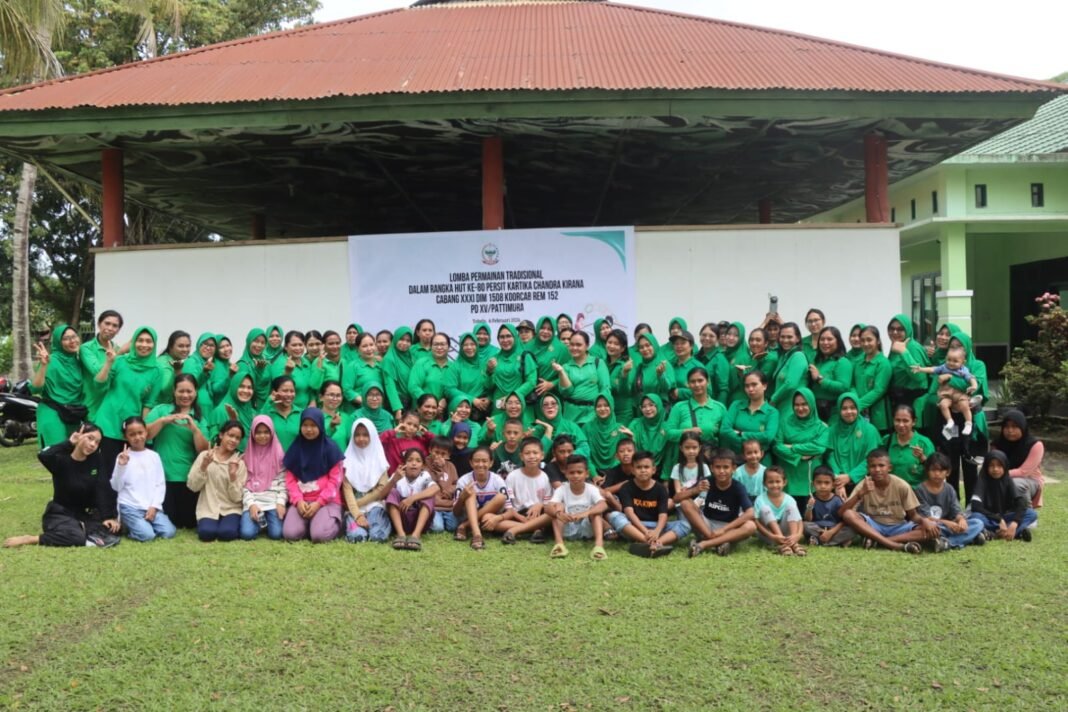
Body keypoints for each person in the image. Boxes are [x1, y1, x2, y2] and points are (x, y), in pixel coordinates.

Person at [3, 424, 120, 549]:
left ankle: (81, 527)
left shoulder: (96, 459)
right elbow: (44, 455)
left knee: (114, 529)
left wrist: (108, 516)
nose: (93, 445)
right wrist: (69, 443)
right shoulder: (61, 460)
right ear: (78, 435)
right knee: (76, 537)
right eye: (90, 438)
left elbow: (102, 487)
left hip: (82, 513)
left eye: (97, 442)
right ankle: (31, 538)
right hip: (60, 512)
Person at [94, 326, 164, 482]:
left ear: (154, 345)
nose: (144, 345)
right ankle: (103, 506)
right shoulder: (120, 362)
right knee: (106, 470)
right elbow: (98, 383)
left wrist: (143, 430)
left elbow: (148, 403)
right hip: (108, 422)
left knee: (127, 471)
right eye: (140, 340)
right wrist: (108, 363)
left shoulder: (157, 371)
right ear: (133, 343)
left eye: (148, 341)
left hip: (131, 427)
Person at [147, 374, 210, 530]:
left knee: (188, 523)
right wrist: (163, 421)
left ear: (196, 392)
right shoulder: (160, 410)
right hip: (162, 478)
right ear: (174, 392)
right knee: (170, 520)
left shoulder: (200, 419)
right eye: (181, 391)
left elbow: (203, 450)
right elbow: (144, 436)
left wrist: (194, 429)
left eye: (189, 391)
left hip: (187, 479)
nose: (185, 395)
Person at [838, 449, 926, 553]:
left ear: (889, 468)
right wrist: (860, 494)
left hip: (898, 526)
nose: (877, 469)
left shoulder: (902, 485)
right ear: (868, 469)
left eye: (881, 465)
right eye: (873, 466)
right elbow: (842, 513)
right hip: (873, 526)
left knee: (929, 531)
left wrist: (925, 521)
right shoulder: (864, 484)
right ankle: (894, 545)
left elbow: (913, 515)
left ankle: (880, 541)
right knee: (849, 514)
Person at [605, 450, 687, 557]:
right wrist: (645, 532)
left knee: (685, 524)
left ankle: (658, 542)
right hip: (635, 526)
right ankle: (650, 542)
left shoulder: (661, 488)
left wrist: (657, 531)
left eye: (646, 467)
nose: (643, 470)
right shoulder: (626, 487)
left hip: (655, 526)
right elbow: (629, 512)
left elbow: (663, 514)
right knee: (614, 516)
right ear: (633, 470)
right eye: (639, 467)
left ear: (653, 470)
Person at [282, 408, 345, 543]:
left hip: (326, 502)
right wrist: (298, 501)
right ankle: (311, 523)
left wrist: (318, 503)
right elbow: (290, 480)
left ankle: (330, 523)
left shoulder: (331, 448)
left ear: (320, 425)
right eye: (305, 425)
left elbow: (335, 482)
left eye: (313, 425)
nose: (309, 429)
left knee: (319, 536)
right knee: (290, 534)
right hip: (302, 502)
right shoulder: (296, 448)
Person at [110, 416, 176, 542]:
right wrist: (121, 466)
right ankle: (130, 527)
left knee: (169, 532)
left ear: (146, 432)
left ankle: (142, 525)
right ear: (125, 437)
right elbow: (116, 486)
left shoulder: (154, 456)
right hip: (129, 506)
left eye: (140, 433)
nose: (137, 437)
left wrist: (154, 506)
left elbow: (160, 484)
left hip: (150, 506)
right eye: (132, 434)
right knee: (147, 536)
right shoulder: (122, 457)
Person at [684, 448, 756, 557]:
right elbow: (677, 499)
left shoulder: (738, 487)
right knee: (685, 503)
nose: (721, 471)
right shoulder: (706, 481)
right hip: (706, 525)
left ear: (733, 468)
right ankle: (717, 541)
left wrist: (723, 530)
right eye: (718, 467)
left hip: (727, 528)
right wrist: (695, 490)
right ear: (712, 468)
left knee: (751, 526)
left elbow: (750, 513)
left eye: (726, 467)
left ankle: (704, 544)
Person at [187, 420, 247, 542]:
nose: (233, 440)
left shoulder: (239, 463)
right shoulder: (205, 456)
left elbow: (237, 498)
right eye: (230, 435)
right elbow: (193, 486)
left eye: (237, 438)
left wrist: (232, 476)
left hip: (231, 508)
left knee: (227, 534)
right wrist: (203, 466)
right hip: (208, 508)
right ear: (221, 435)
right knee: (206, 534)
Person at [31, 324, 87, 448]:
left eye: (74, 336)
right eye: (66, 338)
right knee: (57, 454)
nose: (72, 341)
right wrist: (44, 365)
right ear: (58, 342)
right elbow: (35, 388)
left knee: (75, 455)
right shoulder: (51, 361)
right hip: (52, 411)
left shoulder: (79, 361)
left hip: (74, 413)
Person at [913, 452, 983, 551]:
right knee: (927, 529)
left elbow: (956, 511)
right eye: (933, 470)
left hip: (950, 526)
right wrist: (947, 523)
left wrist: (961, 520)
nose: (937, 474)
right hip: (933, 525)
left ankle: (947, 542)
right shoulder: (920, 490)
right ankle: (971, 537)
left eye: (941, 470)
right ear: (927, 471)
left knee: (977, 522)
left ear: (948, 472)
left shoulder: (949, 489)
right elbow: (926, 518)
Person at [341, 418, 394, 543]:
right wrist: (357, 514)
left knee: (377, 535)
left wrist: (359, 503)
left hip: (375, 505)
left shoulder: (379, 460)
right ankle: (357, 527)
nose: (361, 439)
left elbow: (381, 489)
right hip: (353, 508)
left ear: (373, 436)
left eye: (365, 435)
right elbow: (347, 491)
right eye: (357, 435)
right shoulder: (347, 461)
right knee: (357, 537)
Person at [967, 450, 1037, 542]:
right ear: (986, 467)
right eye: (991, 466)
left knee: (1031, 514)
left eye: (999, 466)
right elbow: (976, 506)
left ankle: (993, 534)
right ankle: (1014, 533)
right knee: (976, 517)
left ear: (1005, 467)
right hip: (988, 517)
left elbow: (1021, 502)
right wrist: (999, 520)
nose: (995, 469)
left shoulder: (1007, 479)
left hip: (1004, 517)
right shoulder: (982, 479)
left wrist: (1015, 523)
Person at [773, 388, 829, 504]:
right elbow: (777, 446)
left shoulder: (821, 427)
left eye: (804, 404)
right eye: (796, 405)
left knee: (809, 517)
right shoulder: (784, 422)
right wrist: (800, 456)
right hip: (788, 476)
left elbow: (819, 447)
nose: (800, 408)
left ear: (812, 404)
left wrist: (792, 447)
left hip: (810, 479)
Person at [548, 454, 608, 559]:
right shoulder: (562, 489)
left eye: (579, 472)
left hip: (587, 529)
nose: (576, 475)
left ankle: (599, 546)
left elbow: (603, 504)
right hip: (567, 528)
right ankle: (559, 544)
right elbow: (548, 507)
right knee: (557, 507)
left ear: (587, 473)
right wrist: (559, 514)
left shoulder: (591, 489)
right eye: (571, 472)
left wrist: (585, 513)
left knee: (596, 512)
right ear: (565, 474)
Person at [912, 346, 979, 440]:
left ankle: (968, 423)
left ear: (963, 362)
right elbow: (933, 369)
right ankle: (949, 421)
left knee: (964, 405)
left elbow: (971, 378)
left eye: (955, 361)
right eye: (949, 360)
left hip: (959, 396)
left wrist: (974, 386)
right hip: (946, 395)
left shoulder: (964, 370)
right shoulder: (944, 367)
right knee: (943, 405)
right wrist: (921, 369)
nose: (951, 363)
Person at [453, 446, 511, 550]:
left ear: (491, 463)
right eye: (476, 461)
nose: (480, 465)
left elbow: (510, 510)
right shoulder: (464, 480)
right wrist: (462, 497)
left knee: (501, 497)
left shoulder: (498, 480)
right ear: (471, 463)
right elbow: (456, 513)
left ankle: (465, 526)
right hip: (468, 516)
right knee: (470, 493)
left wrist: (497, 518)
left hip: (488, 519)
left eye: (484, 461)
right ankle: (477, 535)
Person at [239, 415, 287, 541]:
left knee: (276, 534)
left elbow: (283, 483)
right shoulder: (246, 456)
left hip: (273, 501)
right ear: (253, 433)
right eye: (258, 432)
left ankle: (265, 522)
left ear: (272, 432)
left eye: (266, 432)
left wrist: (280, 503)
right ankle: (260, 522)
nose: (262, 436)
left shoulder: (279, 455)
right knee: (247, 534)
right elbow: (243, 485)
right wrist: (251, 505)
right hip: (254, 500)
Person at [664, 367, 727, 462]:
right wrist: (688, 431)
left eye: (700, 380)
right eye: (692, 382)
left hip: (709, 460)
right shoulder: (679, 407)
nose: (697, 385)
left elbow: (724, 436)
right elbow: (668, 433)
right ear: (688, 384)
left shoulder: (719, 408)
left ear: (708, 381)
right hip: (684, 461)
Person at [825, 392, 882, 498]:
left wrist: (850, 476)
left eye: (852, 407)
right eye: (844, 408)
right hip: (837, 483)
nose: (849, 412)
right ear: (839, 410)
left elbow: (871, 459)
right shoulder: (832, 431)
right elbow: (830, 456)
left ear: (858, 408)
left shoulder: (869, 430)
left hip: (863, 484)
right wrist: (838, 480)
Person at [500, 438, 555, 543]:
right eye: (527, 453)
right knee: (492, 520)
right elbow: (508, 505)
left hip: (538, 515)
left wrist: (540, 505)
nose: (532, 456)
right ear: (521, 456)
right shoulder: (513, 476)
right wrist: (520, 517)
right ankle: (535, 529)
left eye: (535, 453)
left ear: (542, 455)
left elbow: (548, 504)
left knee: (551, 514)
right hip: (517, 514)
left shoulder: (546, 478)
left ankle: (514, 530)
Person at [385, 448, 439, 551]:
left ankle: (416, 535)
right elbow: (382, 496)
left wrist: (411, 499)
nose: (414, 464)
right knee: (393, 492)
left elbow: (435, 488)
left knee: (429, 496)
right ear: (404, 464)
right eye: (410, 460)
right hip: (402, 518)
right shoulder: (398, 475)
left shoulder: (424, 475)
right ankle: (401, 534)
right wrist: (393, 480)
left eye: (418, 461)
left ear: (423, 466)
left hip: (418, 520)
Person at [554, 331, 610, 426]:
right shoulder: (566, 367)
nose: (574, 348)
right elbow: (566, 392)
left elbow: (605, 389)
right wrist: (561, 372)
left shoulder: (598, 363)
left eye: (579, 345)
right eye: (572, 345)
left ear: (587, 346)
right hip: (571, 416)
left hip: (592, 415)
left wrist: (602, 410)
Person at [721, 370, 778, 461]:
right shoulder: (736, 405)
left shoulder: (772, 412)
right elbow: (724, 430)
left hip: (761, 460)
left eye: (754, 384)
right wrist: (757, 437)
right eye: (747, 386)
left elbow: (768, 437)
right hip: (736, 458)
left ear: (764, 386)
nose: (750, 389)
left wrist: (741, 434)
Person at [992, 409, 1044, 508]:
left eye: (1015, 427)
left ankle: (1027, 517)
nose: (1010, 430)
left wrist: (998, 474)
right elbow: (992, 465)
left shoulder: (1035, 445)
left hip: (1029, 480)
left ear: (1022, 427)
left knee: (1016, 484)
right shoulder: (997, 444)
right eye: (1006, 427)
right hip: (1001, 477)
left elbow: (1024, 472)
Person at [80, 309, 123, 421]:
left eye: (115, 326)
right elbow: (97, 372)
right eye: (107, 323)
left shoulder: (117, 349)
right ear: (99, 324)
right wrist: (118, 355)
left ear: (118, 330)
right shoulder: (86, 348)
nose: (110, 328)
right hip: (92, 406)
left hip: (112, 407)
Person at [752, 466, 806, 556]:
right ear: (764, 483)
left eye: (778, 481)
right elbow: (756, 522)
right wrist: (772, 536)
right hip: (769, 535)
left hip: (788, 535)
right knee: (765, 509)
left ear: (784, 482)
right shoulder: (760, 499)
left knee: (791, 507)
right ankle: (783, 545)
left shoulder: (790, 499)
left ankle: (793, 543)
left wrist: (797, 535)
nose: (774, 485)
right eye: (770, 482)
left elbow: (799, 521)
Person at [885, 314, 930, 412]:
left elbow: (920, 377)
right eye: (891, 329)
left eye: (900, 329)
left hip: (912, 403)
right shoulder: (896, 347)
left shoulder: (912, 347)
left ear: (908, 330)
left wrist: (903, 352)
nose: (894, 332)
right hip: (898, 399)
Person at [808, 326, 853, 422]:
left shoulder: (842, 362)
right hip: (814, 410)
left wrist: (820, 379)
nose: (825, 343)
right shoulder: (816, 361)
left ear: (838, 341)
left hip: (833, 412)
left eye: (829, 339)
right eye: (822, 339)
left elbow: (844, 387)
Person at [852, 325, 892, 433]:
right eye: (863, 340)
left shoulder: (883, 363)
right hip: (857, 414)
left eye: (869, 340)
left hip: (878, 416)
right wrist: (854, 403)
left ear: (878, 341)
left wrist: (858, 405)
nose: (865, 344)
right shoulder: (858, 362)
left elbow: (879, 390)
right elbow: (853, 385)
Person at [486, 323, 537, 407]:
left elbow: (531, 382)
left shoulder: (525, 356)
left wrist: (512, 397)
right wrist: (489, 372)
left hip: (519, 404)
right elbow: (489, 386)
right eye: (502, 337)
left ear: (515, 337)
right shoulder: (494, 359)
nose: (505, 340)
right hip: (499, 404)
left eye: (508, 336)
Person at [883, 405, 934, 487]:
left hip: (917, 493)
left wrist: (923, 458)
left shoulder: (924, 443)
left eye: (905, 421)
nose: (901, 425)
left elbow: (934, 470)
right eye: (897, 420)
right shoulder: (886, 441)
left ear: (914, 421)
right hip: (892, 492)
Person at [802, 466, 854, 547]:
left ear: (833, 485)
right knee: (804, 525)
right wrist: (809, 507)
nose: (823, 486)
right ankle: (836, 542)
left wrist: (831, 532)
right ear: (813, 484)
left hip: (834, 529)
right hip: (818, 528)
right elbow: (808, 520)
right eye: (819, 482)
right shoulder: (811, 498)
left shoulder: (837, 500)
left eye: (827, 483)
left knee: (851, 529)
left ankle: (818, 541)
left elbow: (843, 521)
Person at [443, 333, 489, 419]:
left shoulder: (483, 365)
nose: (469, 347)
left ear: (477, 346)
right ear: (461, 348)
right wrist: (472, 400)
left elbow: (490, 385)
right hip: (460, 412)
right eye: (465, 345)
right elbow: (449, 389)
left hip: (481, 412)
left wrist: (488, 399)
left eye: (472, 344)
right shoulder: (455, 366)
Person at [205, 374, 256, 450]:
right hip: (230, 460)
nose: (246, 391)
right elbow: (214, 444)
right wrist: (233, 423)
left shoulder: (252, 413)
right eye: (241, 386)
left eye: (249, 387)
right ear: (233, 387)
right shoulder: (220, 411)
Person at [769, 322, 808, 420]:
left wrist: (773, 399)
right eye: (782, 337)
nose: (785, 340)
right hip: (781, 405)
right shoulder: (784, 356)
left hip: (792, 407)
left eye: (790, 337)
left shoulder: (798, 356)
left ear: (798, 338)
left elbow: (791, 384)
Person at [270, 330, 316, 410]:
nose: (298, 348)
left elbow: (311, 386)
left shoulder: (306, 362)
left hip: (306, 412)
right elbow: (277, 390)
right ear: (286, 347)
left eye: (300, 345)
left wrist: (313, 400)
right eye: (294, 345)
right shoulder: (279, 364)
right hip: (287, 411)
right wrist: (287, 372)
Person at [408, 332, 452, 413]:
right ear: (431, 346)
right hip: (421, 413)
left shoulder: (453, 367)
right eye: (435, 344)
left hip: (445, 414)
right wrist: (430, 403)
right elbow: (413, 386)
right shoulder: (422, 363)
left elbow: (454, 389)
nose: (439, 347)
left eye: (442, 344)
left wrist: (446, 399)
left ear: (449, 347)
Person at [626, 394, 669, 475]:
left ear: (658, 406)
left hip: (660, 470)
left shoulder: (667, 427)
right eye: (644, 406)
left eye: (651, 405)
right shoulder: (635, 424)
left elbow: (669, 455)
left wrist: (665, 478)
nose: (647, 409)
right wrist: (631, 439)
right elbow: (630, 449)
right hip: (638, 469)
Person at [583, 394, 624, 478]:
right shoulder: (587, 427)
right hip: (592, 472)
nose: (602, 409)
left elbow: (624, 455)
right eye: (599, 406)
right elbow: (584, 453)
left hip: (616, 472)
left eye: (606, 405)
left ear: (612, 407)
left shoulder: (620, 428)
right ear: (594, 408)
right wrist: (594, 474)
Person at [342, 332, 386, 410]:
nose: (369, 349)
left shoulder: (381, 365)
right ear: (357, 349)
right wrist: (365, 402)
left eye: (371, 345)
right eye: (364, 346)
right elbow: (347, 389)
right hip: (358, 410)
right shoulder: (353, 366)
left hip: (379, 410)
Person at [426, 437, 460, 533]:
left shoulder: (451, 466)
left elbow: (456, 484)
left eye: (443, 454)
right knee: (437, 528)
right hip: (433, 505)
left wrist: (448, 491)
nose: (439, 456)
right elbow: (429, 484)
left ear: (448, 455)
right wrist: (438, 470)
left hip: (448, 506)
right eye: (436, 452)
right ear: (430, 450)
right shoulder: (425, 465)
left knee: (453, 527)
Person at [382, 326, 415, 417]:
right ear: (395, 339)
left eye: (408, 341)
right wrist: (397, 408)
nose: (404, 343)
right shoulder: (389, 359)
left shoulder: (410, 357)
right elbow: (389, 385)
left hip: (410, 401)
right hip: (397, 403)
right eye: (401, 339)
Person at [631, 333, 673, 404]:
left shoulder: (663, 364)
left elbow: (668, 389)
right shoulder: (640, 367)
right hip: (642, 410)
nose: (645, 349)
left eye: (648, 345)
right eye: (641, 347)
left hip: (659, 410)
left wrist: (661, 375)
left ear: (655, 346)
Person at [604, 328, 636, 424]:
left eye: (616, 344)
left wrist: (624, 374)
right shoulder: (602, 363)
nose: (612, 346)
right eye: (609, 342)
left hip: (623, 413)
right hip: (605, 411)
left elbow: (625, 391)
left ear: (623, 348)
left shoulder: (626, 365)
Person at [665, 330, 705, 406]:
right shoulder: (670, 365)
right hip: (671, 409)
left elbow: (707, 393)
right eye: (676, 343)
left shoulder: (697, 367)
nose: (679, 346)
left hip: (691, 410)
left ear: (691, 346)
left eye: (683, 343)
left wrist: (680, 393)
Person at [262, 375, 301, 450]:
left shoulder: (301, 413)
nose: (289, 395)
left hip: (295, 460)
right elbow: (258, 426)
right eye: (285, 391)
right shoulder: (268, 412)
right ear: (274, 392)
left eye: (292, 391)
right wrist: (269, 401)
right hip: (273, 460)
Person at [235, 328, 272, 408]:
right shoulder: (243, 365)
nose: (259, 345)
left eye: (262, 342)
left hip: (267, 405)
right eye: (256, 341)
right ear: (249, 342)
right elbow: (244, 390)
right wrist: (258, 372)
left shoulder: (265, 362)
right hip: (250, 407)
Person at [719, 322, 752, 406]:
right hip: (726, 397)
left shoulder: (743, 356)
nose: (731, 338)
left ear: (741, 338)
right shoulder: (725, 353)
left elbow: (746, 382)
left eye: (736, 335)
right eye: (729, 334)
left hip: (738, 400)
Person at [156, 330, 191, 406]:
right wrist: (177, 371)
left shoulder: (176, 361)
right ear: (171, 347)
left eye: (188, 346)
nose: (185, 349)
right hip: (159, 410)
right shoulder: (163, 363)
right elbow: (165, 390)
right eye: (181, 346)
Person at [318, 380, 353, 452]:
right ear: (321, 397)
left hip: (342, 462)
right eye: (331, 395)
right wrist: (331, 428)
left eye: (338, 395)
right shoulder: (315, 417)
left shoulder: (346, 418)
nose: (335, 399)